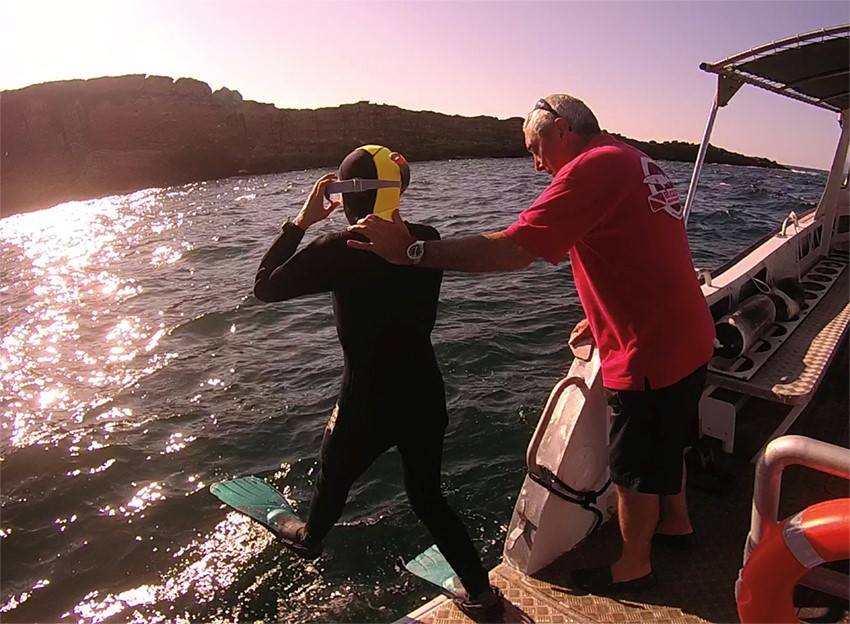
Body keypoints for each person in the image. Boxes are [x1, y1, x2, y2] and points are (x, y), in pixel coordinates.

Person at [347, 96, 715, 595]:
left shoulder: (593, 167)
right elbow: (632, 245)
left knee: (635, 470)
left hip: (650, 348)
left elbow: (512, 249)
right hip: (689, 333)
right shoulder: (631, 159)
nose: (536, 163)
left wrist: (410, 251)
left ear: (562, 129)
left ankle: (635, 565)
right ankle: (679, 524)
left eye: (535, 148)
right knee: (669, 443)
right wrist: (598, 316)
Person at [252, 145, 502, 616]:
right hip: (424, 393)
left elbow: (264, 287)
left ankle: (309, 539)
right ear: (400, 189)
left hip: (366, 401)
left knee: (334, 477)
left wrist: (302, 221)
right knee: (428, 497)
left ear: (345, 196)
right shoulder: (426, 239)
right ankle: (483, 595)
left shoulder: (338, 248)